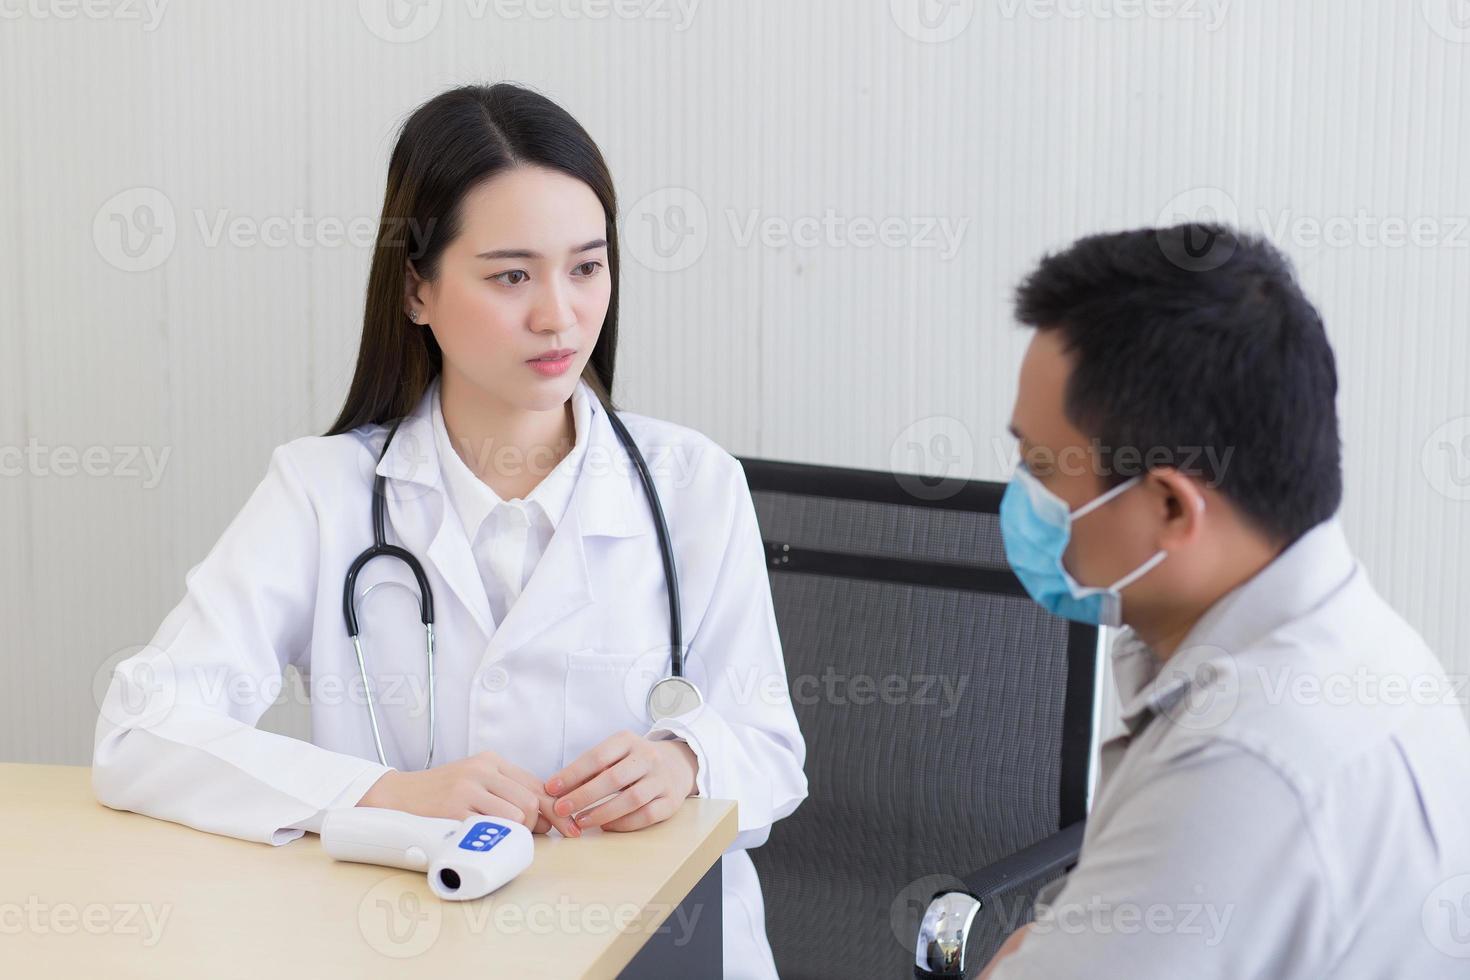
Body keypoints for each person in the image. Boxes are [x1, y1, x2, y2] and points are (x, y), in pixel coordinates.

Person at [92, 82, 806, 980]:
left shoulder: (692, 485)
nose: (559, 314)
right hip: (406, 950)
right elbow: (140, 732)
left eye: (587, 267)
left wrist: (690, 761)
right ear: (418, 291)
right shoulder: (324, 494)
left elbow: (773, 748)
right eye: (511, 275)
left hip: (663, 954)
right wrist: (383, 795)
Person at [982, 224, 1470, 977]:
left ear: (1173, 508)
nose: (1024, 497)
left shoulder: (1242, 763)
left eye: (1042, 465)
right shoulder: (1360, 646)